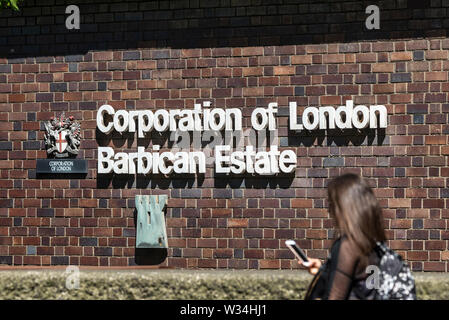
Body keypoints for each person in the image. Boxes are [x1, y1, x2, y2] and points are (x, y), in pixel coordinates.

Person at [300, 173, 386, 300]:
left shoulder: (347, 247)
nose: (329, 211)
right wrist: (325, 271)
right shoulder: (373, 242)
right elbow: (361, 285)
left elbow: (335, 296)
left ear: (344, 207)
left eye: (331, 204)